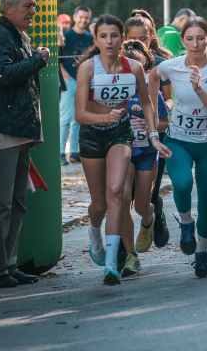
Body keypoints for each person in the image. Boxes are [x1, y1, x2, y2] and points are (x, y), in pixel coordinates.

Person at [75, 15, 166, 285]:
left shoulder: (135, 67)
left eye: (114, 35)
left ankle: (112, 264)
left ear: (122, 39)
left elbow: (148, 104)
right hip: (92, 135)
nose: (109, 41)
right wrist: (104, 118)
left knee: (117, 192)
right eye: (103, 36)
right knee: (100, 204)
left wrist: (152, 135)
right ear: (96, 40)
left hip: (120, 133)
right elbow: (80, 113)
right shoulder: (88, 68)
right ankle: (95, 233)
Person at [0, 0, 48, 289]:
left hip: (18, 132)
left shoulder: (20, 36)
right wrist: (38, 59)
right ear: (8, 9)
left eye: (34, 5)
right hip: (0, 132)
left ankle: (8, 265)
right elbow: (1, 76)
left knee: (16, 203)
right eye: (28, 5)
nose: (34, 10)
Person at [149, 16, 207, 279]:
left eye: (200, 38)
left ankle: (201, 254)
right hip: (178, 140)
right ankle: (186, 222)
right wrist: (154, 124)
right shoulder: (171, 67)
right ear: (182, 41)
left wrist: (200, 91)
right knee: (183, 184)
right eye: (189, 39)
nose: (195, 44)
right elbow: (151, 78)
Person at [118, 40, 170, 277]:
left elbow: (164, 124)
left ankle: (149, 218)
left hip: (147, 153)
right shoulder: (116, 89)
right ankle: (131, 256)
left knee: (140, 205)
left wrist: (148, 125)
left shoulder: (151, 91)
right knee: (122, 199)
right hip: (123, 150)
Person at [124, 12, 174, 248]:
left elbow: (169, 100)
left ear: (151, 37)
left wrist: (151, 118)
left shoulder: (161, 64)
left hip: (155, 137)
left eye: (144, 38)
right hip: (123, 143)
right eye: (135, 38)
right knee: (125, 195)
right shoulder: (119, 70)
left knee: (147, 196)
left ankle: (155, 214)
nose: (140, 43)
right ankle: (125, 250)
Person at [60, 5, 93, 164]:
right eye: (80, 17)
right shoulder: (66, 35)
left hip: (83, 81)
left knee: (78, 118)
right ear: (74, 17)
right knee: (66, 116)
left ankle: (74, 151)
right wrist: (64, 74)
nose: (83, 20)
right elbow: (57, 56)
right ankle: (60, 151)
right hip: (69, 80)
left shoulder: (89, 37)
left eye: (86, 17)